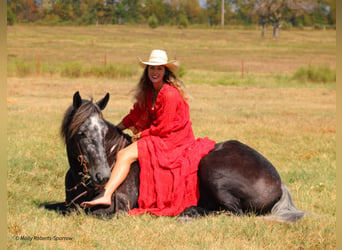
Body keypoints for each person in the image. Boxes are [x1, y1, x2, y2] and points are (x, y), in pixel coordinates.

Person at [81, 49, 216, 216]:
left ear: (165, 71)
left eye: (159, 68)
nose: (155, 72)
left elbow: (164, 128)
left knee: (124, 154)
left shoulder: (169, 94)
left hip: (172, 139)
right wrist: (115, 129)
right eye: (152, 68)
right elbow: (135, 115)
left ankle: (106, 195)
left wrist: (139, 136)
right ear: (147, 71)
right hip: (160, 134)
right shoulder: (150, 92)